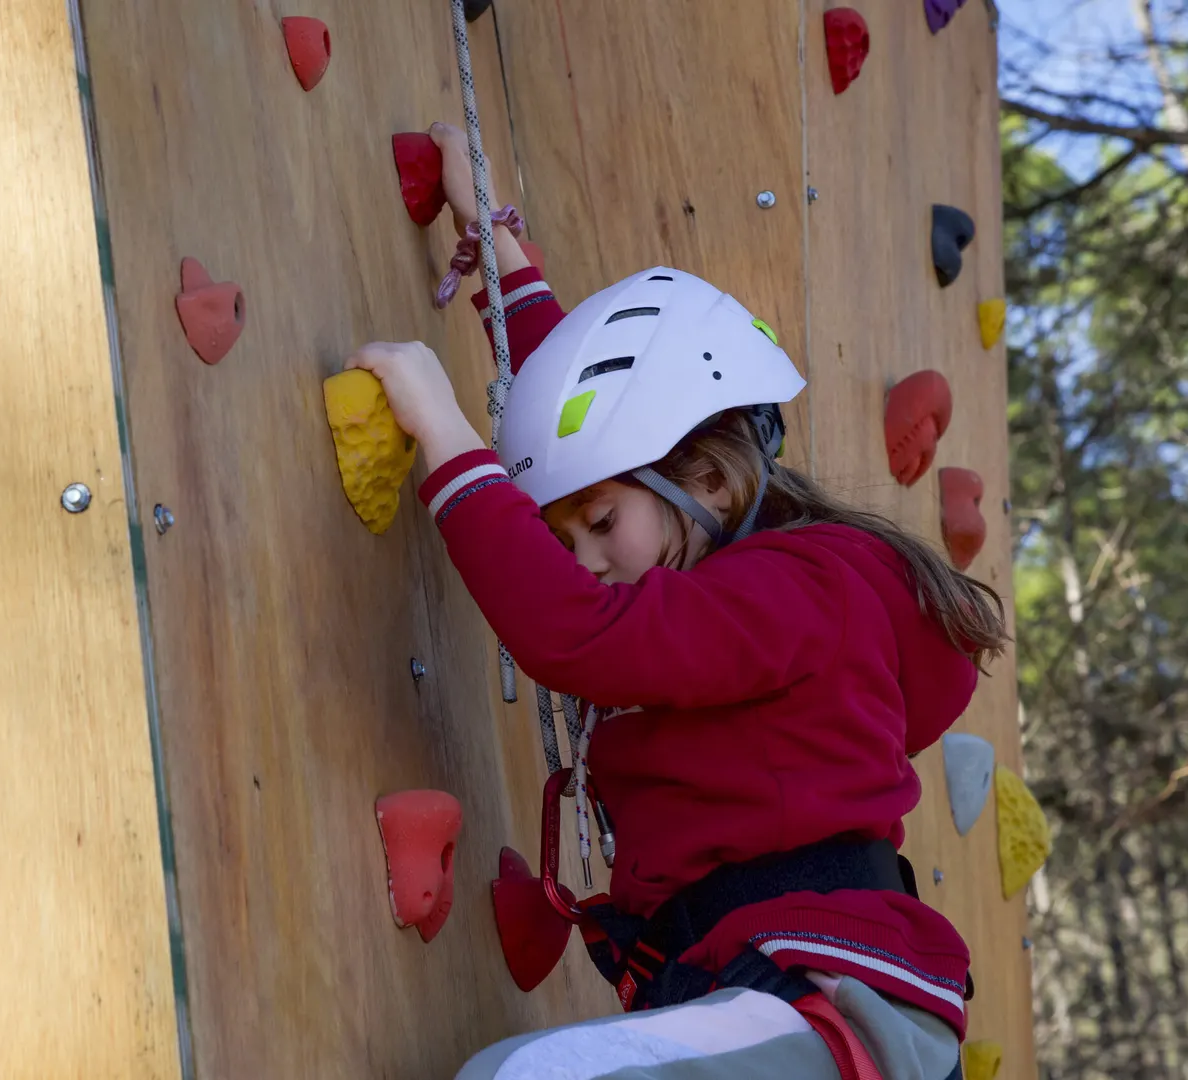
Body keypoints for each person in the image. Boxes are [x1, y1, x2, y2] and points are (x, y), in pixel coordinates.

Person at [346, 123, 1010, 1080]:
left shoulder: (799, 589)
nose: (583, 561)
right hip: (776, 1000)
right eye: (563, 539)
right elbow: (587, 422)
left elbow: (577, 632)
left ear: (706, 478)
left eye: (599, 527)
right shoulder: (719, 563)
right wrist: (499, 250)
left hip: (830, 1006)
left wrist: (447, 438)